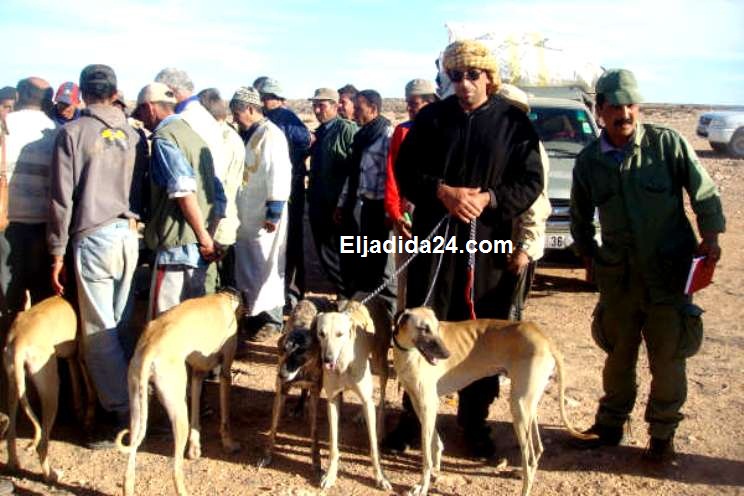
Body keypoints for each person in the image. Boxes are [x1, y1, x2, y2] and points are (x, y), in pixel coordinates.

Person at [390, 40, 543, 458]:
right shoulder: (432, 119)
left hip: (487, 247)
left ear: (489, 78)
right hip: (434, 242)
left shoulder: (514, 124)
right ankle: (413, 416)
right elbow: (405, 171)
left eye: (472, 75)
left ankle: (474, 423)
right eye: (455, 76)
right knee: (424, 326)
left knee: (481, 336)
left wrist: (489, 200)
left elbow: (531, 182)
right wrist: (441, 192)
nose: (463, 84)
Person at [569, 69, 725, 461]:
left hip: (668, 276)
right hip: (619, 278)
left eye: (630, 104)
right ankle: (609, 426)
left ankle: (662, 435)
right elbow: (580, 214)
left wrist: (711, 235)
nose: (625, 113)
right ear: (600, 111)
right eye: (615, 106)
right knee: (618, 356)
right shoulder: (589, 161)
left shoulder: (665, 144)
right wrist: (588, 254)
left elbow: (702, 190)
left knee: (668, 360)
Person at [48, 64, 144, 448]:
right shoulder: (134, 135)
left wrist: (56, 251)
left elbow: (60, 200)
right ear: (115, 91)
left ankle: (123, 411)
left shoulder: (72, 133)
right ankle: (131, 400)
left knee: (98, 332)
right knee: (119, 325)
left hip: (94, 237)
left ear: (84, 94)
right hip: (128, 235)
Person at [135, 83, 223, 319]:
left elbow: (183, 189)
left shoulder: (165, 139)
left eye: (141, 112)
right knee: (190, 324)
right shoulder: (195, 138)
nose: (141, 119)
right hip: (199, 248)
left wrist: (203, 238)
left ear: (150, 108)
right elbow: (218, 196)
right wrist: (208, 237)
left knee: (164, 325)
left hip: (177, 248)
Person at [229, 87, 292, 341]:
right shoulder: (248, 134)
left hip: (265, 215)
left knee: (268, 265)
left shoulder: (271, 135)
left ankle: (272, 320)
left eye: (237, 113)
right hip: (247, 215)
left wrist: (274, 210)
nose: (235, 119)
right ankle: (253, 317)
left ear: (251, 110)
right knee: (250, 267)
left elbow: (279, 173)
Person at [0, 78, 57, 330]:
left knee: (6, 296)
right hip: (42, 226)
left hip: (5, 224)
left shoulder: (6, 125)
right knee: (40, 295)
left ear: (21, 94)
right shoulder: (54, 130)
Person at [337, 89, 396, 318]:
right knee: (365, 261)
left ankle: (389, 317)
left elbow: (393, 176)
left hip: (382, 209)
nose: (355, 113)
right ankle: (368, 313)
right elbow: (353, 174)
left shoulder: (387, 136)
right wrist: (343, 204)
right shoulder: (361, 136)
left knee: (385, 265)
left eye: (359, 109)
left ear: (373, 108)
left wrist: (393, 211)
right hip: (361, 208)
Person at [496, 84, 552, 321]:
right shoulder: (499, 144)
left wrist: (523, 249)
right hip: (497, 244)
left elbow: (534, 204)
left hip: (517, 247)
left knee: (508, 316)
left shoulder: (527, 147)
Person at [256, 78, 311, 313]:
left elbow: (306, 141)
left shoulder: (284, 119)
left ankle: (291, 293)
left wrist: (292, 163)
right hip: (283, 186)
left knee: (288, 241)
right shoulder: (276, 119)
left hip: (288, 188)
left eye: (262, 97)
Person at [384, 78, 439, 310]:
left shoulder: (446, 130)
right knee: (405, 273)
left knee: (435, 271)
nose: (409, 109)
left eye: (414, 104)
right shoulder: (402, 131)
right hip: (408, 214)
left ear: (430, 102)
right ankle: (402, 326)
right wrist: (396, 214)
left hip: (438, 215)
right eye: (408, 103)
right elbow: (392, 174)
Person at [307, 87, 357, 299]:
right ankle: (343, 296)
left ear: (336, 106)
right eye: (315, 105)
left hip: (339, 207)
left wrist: (344, 203)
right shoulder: (319, 133)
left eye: (322, 105)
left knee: (343, 255)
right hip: (319, 205)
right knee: (326, 255)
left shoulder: (347, 129)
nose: (318, 110)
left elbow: (354, 169)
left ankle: (349, 298)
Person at [197, 88, 245, 288]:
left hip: (218, 224)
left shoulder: (220, 139)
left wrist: (209, 231)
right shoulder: (229, 135)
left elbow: (218, 186)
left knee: (216, 283)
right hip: (226, 221)